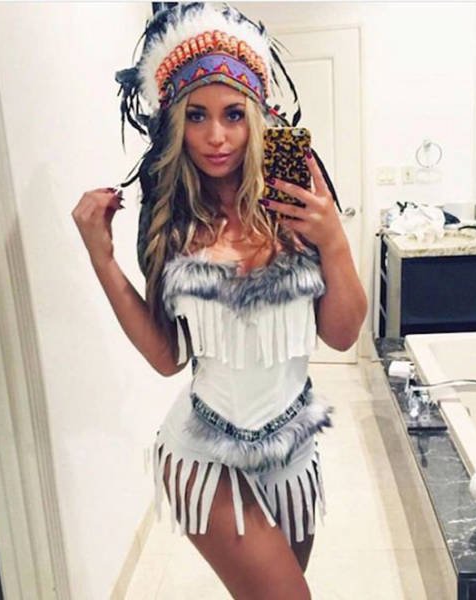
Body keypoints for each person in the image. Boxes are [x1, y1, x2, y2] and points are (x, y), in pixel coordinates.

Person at [71, 4, 367, 598]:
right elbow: (167, 358)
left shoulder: (293, 202)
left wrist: (334, 240)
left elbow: (342, 334)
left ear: (256, 114)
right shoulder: (171, 220)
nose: (215, 137)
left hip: (294, 450)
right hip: (204, 455)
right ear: (175, 122)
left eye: (233, 114)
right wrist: (102, 260)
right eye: (196, 115)